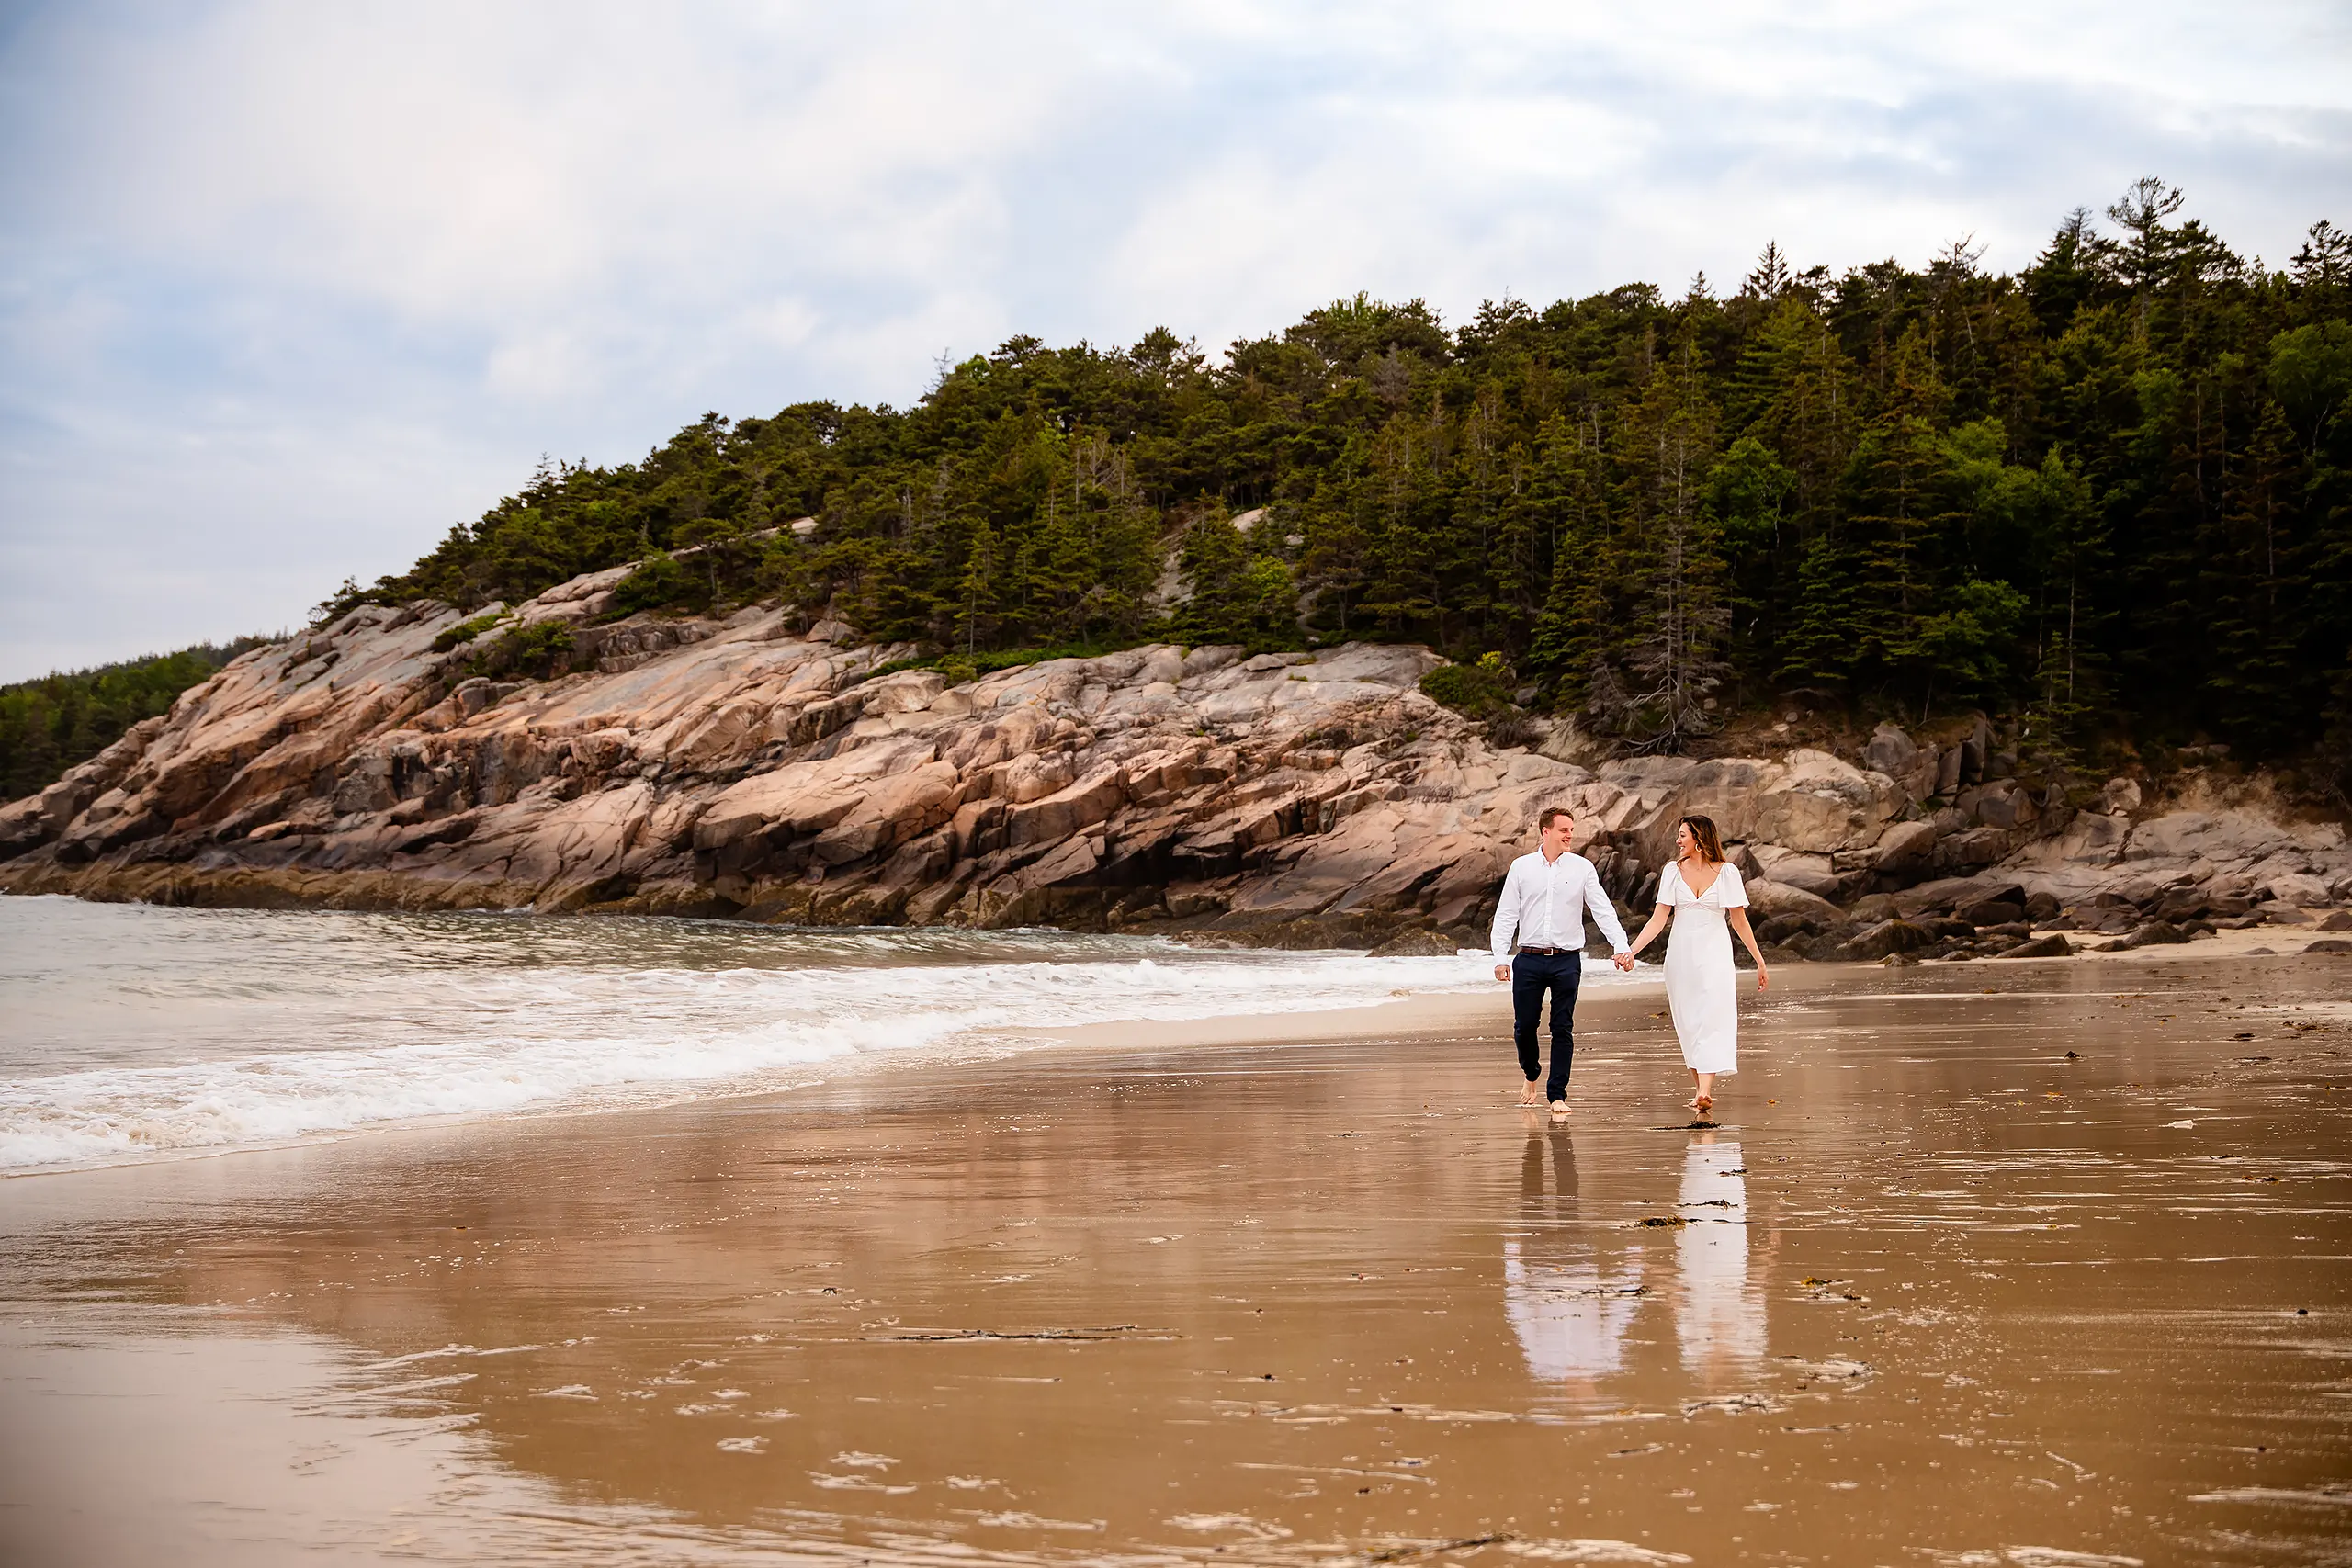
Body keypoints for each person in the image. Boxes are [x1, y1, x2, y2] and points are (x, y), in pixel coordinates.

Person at [1620, 815, 1770, 1118]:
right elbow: (1659, 919)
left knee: (1712, 1018)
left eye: (1683, 836)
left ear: (1699, 840)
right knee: (1688, 1022)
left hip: (1714, 954)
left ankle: (1704, 1091)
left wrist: (1759, 959)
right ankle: (1701, 1090)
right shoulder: (1671, 872)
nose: (1678, 841)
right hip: (1680, 956)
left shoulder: (1727, 873)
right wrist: (1630, 951)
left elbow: (1739, 921)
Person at [1490, 806, 1632, 1119]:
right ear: (1546, 832)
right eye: (1564, 829)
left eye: (1571, 829)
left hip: (1566, 960)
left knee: (1562, 1027)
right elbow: (1506, 914)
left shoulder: (1582, 868)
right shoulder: (1521, 867)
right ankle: (1531, 1074)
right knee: (1524, 1027)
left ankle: (1557, 1094)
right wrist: (1500, 957)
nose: (1570, 835)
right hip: (1527, 959)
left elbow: (1602, 910)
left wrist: (1621, 945)